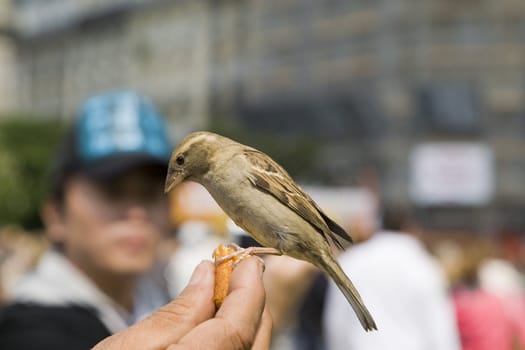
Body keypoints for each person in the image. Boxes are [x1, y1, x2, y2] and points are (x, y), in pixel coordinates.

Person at [323, 206, 461, 350]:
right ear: (412, 229)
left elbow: (336, 322)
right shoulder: (424, 266)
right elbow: (439, 329)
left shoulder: (352, 261)